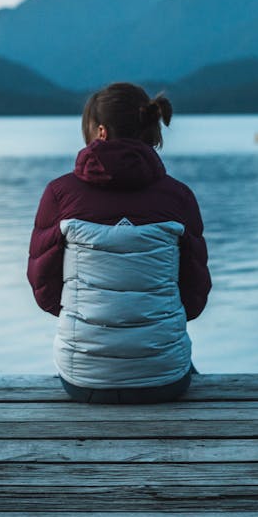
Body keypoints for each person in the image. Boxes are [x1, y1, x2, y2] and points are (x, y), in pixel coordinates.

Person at [27, 81, 210, 403]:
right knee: (184, 364)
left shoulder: (60, 194)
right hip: (165, 380)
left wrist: (90, 316)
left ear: (99, 131)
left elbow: (44, 290)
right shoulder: (178, 197)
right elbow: (194, 297)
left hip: (83, 380)